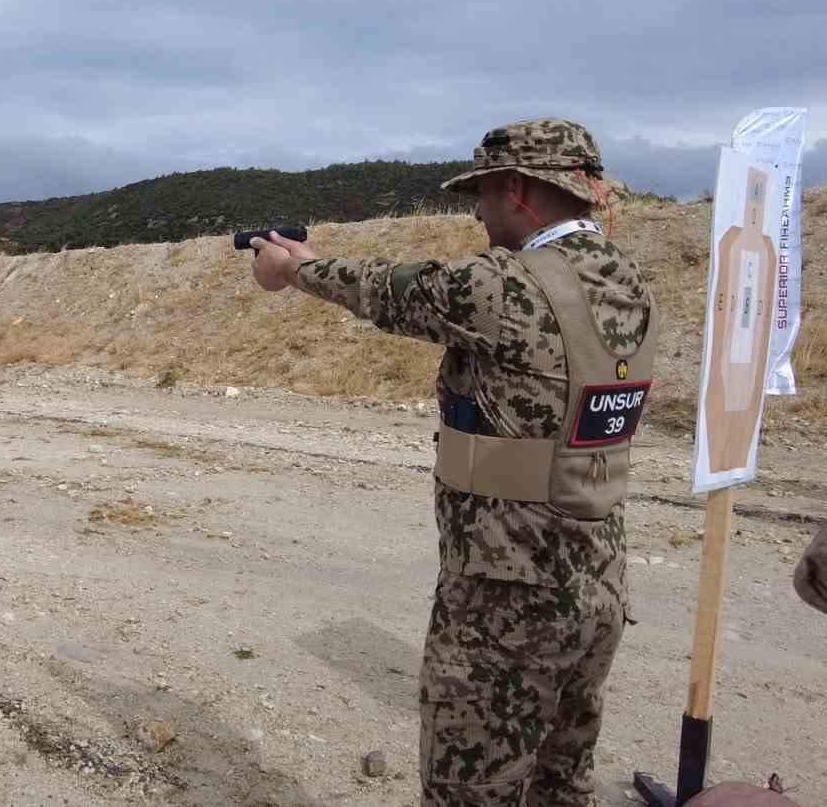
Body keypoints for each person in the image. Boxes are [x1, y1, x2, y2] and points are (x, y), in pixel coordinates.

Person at [250, 119, 657, 806]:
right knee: (559, 786)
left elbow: (390, 288)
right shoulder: (628, 281)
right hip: (598, 578)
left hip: (507, 598)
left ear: (517, 189)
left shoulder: (506, 286)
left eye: (483, 193)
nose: (477, 210)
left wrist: (292, 268)